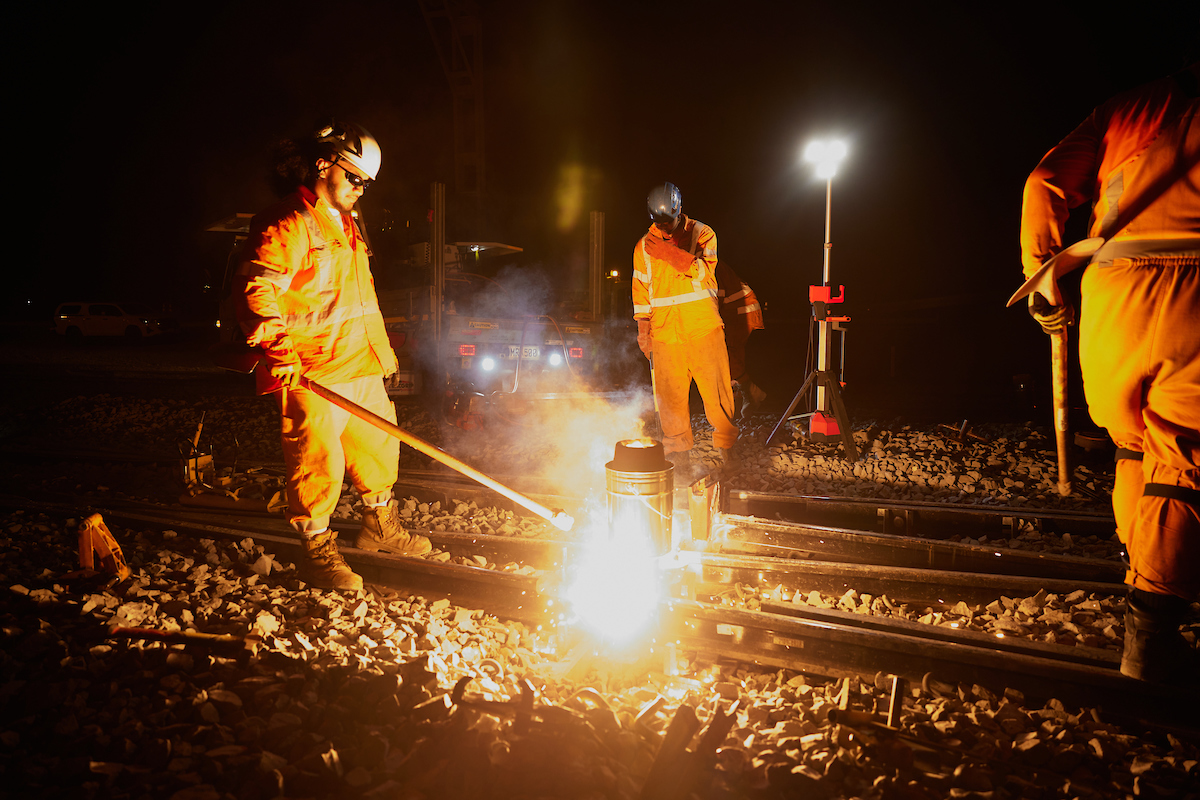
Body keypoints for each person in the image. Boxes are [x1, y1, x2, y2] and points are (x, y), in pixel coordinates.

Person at [1019, 63, 1199, 683]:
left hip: (1110, 290)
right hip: (1192, 292)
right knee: (1183, 463)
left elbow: (1044, 181)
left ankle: (1139, 572)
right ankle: (1151, 636)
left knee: (1134, 446)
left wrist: (1042, 275)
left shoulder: (1126, 108)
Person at [236, 120, 431, 592]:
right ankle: (318, 549)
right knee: (316, 462)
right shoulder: (288, 221)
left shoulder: (347, 225)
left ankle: (378, 528)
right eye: (355, 177)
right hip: (312, 370)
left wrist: (383, 355)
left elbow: (357, 298)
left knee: (380, 448)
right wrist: (278, 352)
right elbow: (258, 290)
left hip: (359, 363)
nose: (361, 189)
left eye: (367, 183)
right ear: (324, 163)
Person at [634, 182, 739, 476]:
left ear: (679, 211)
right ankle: (679, 453)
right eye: (660, 223)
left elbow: (705, 272)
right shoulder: (643, 246)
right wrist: (644, 332)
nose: (666, 229)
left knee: (716, 391)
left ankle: (727, 447)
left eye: (669, 222)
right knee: (670, 398)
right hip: (665, 332)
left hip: (702, 325)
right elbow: (641, 291)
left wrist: (670, 252)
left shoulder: (702, 233)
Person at [714, 260, 766, 419]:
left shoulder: (705, 263)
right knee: (728, 357)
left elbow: (714, 298)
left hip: (740, 311)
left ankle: (748, 394)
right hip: (734, 310)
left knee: (728, 356)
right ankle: (745, 395)